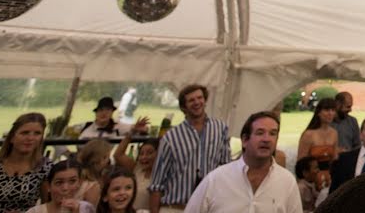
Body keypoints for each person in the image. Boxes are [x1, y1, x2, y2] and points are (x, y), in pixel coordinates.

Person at [185, 111, 302, 213]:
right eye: (260, 133)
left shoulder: (287, 182)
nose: (267, 139)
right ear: (245, 140)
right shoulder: (216, 179)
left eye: (272, 133)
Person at [148, 84, 231, 213]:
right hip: (177, 208)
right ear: (183, 107)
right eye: (191, 100)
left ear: (205, 100)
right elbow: (157, 183)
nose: (197, 102)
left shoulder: (220, 129)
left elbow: (226, 169)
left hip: (210, 208)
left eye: (200, 98)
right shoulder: (171, 137)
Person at [0, 112, 52, 212]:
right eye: (25, 133)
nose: (30, 138)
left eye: (37, 133)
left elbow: (48, 206)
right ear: (12, 137)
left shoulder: (45, 168)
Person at [298, 98, 340, 190]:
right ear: (318, 113)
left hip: (328, 179)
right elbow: (300, 162)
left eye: (333, 110)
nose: (330, 113)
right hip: (310, 182)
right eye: (326, 110)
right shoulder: (308, 134)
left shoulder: (334, 133)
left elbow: (335, 158)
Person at [113, 125, 158, 212]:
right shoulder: (137, 168)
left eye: (149, 153)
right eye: (141, 153)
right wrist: (132, 133)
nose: (144, 157)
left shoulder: (163, 175)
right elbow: (118, 155)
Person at [25, 159, 95, 213]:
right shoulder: (35, 211)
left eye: (72, 181)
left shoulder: (86, 208)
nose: (65, 188)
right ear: (49, 186)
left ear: (79, 183)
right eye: (59, 182)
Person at [76, 138, 111, 207]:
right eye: (107, 157)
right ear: (100, 159)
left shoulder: (76, 177)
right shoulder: (93, 186)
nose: (109, 161)